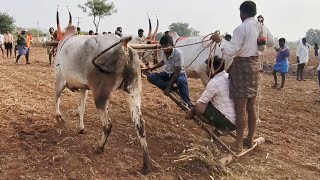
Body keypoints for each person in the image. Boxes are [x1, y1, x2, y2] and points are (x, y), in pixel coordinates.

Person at [211, 1, 271, 152]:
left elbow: (230, 51)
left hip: (242, 68)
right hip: (255, 67)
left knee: (240, 107)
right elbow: (270, 42)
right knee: (251, 105)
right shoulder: (261, 26)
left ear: (242, 13)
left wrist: (220, 41)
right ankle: (249, 139)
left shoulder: (241, 28)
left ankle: (238, 143)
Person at [186, 56, 236, 132]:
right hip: (237, 120)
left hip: (228, 121)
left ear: (212, 69)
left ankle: (222, 128)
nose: (206, 70)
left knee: (198, 109)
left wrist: (192, 112)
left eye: (207, 68)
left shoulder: (214, 82)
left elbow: (200, 105)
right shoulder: (226, 76)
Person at [147, 34, 192, 107]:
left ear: (173, 45)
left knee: (181, 81)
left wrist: (168, 88)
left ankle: (188, 102)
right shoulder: (164, 52)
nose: (164, 48)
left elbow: (177, 72)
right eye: (163, 47)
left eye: (166, 46)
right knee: (150, 77)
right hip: (168, 74)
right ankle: (169, 86)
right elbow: (163, 61)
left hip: (178, 74)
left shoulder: (178, 53)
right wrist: (152, 68)